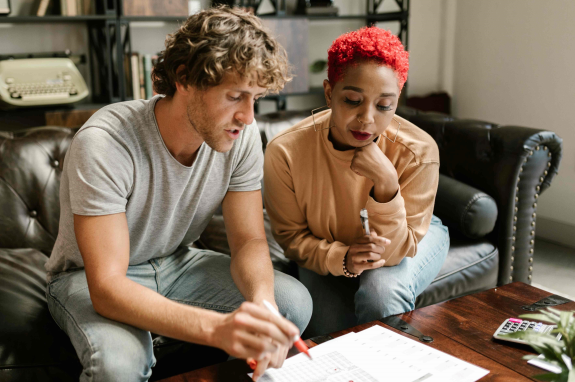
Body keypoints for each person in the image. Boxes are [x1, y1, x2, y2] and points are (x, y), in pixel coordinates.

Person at [44, 6, 312, 382]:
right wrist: (217, 329)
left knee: (289, 303)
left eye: (256, 98)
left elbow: (250, 239)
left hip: (177, 263)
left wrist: (262, 303)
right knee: (117, 366)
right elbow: (107, 287)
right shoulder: (104, 143)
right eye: (235, 96)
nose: (249, 116)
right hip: (89, 278)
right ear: (185, 78)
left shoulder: (243, 135)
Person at [263, 26, 449, 332]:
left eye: (384, 106)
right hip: (328, 244)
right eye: (352, 100)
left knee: (381, 294)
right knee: (331, 331)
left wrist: (387, 183)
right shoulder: (285, 151)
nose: (367, 118)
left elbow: (395, 252)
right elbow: (291, 238)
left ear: (397, 101)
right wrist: (343, 258)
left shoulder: (419, 150)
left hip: (414, 236)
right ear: (328, 92)